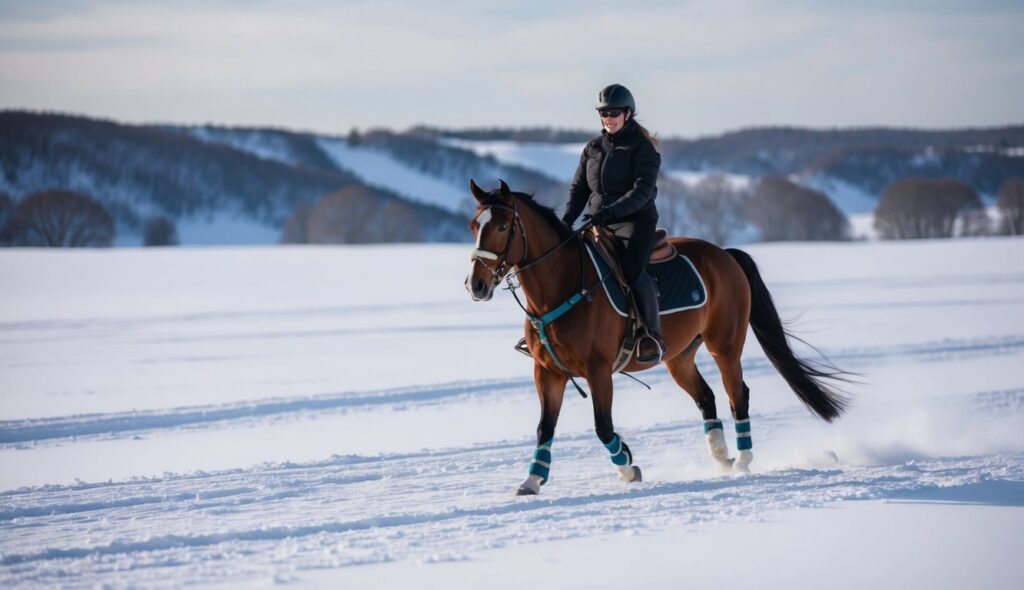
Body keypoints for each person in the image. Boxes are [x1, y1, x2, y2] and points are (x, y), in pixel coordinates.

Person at [562, 84, 666, 363]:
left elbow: (642, 192)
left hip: (635, 221)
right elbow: (579, 190)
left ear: (628, 114)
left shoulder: (643, 149)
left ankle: (650, 335)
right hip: (599, 220)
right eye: (604, 113)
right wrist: (566, 221)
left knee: (631, 271)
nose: (608, 118)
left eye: (614, 112)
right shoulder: (592, 148)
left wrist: (610, 211)